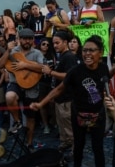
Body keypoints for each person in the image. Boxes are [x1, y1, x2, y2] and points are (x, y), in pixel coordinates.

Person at [30, 35, 109, 167]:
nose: (87, 54)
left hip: (98, 115)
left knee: (98, 148)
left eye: (92, 50)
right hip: (78, 115)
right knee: (78, 147)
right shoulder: (75, 71)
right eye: (85, 50)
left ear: (100, 52)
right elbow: (59, 89)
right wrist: (41, 103)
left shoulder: (104, 68)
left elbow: (105, 78)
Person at [0, 28, 43, 151]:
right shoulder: (12, 51)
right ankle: (17, 121)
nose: (27, 41)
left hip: (32, 86)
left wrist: (25, 65)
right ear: (19, 39)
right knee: (9, 96)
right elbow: (0, 65)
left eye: (29, 38)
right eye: (24, 38)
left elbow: (42, 68)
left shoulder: (37, 53)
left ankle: (29, 143)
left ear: (33, 40)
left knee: (30, 118)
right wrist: (7, 50)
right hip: (15, 83)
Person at [36, 38, 56, 134]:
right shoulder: (36, 55)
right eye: (43, 44)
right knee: (42, 103)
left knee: (52, 102)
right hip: (40, 82)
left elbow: (55, 67)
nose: (45, 46)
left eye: (48, 45)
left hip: (50, 81)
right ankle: (46, 125)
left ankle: (53, 120)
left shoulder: (51, 55)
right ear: (40, 45)